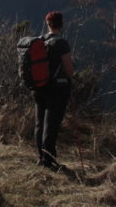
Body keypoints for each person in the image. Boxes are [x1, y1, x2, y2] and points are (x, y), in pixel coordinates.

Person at [34, 11, 74, 170]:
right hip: (57, 89)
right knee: (51, 125)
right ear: (61, 24)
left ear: (48, 24)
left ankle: (41, 157)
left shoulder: (39, 41)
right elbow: (69, 70)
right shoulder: (61, 43)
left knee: (39, 124)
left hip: (39, 87)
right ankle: (48, 161)